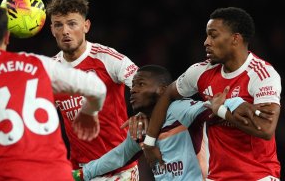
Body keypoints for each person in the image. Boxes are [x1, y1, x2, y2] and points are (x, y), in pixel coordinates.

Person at [0, 2, 107, 181]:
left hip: (10, 175)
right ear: (7, 36)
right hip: (57, 175)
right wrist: (88, 112)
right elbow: (96, 87)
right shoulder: (39, 64)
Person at [142, 7, 282, 180]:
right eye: (207, 35)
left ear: (235, 39)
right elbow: (168, 94)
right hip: (217, 176)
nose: (206, 42)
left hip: (258, 175)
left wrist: (221, 111)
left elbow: (266, 128)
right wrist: (149, 142)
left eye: (213, 35)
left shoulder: (262, 74)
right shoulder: (201, 72)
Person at [72, 65, 259, 181]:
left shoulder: (179, 110)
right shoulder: (142, 128)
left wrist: (237, 103)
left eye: (141, 84)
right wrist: (81, 174)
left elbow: (210, 106)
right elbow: (119, 156)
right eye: (133, 85)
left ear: (162, 90)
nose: (133, 90)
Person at [46, 0, 139, 180]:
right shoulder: (50, 70)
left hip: (119, 169)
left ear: (86, 26)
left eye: (72, 24)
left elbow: (146, 84)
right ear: (51, 29)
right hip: (79, 170)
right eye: (58, 25)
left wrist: (143, 112)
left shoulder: (107, 58)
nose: (65, 31)